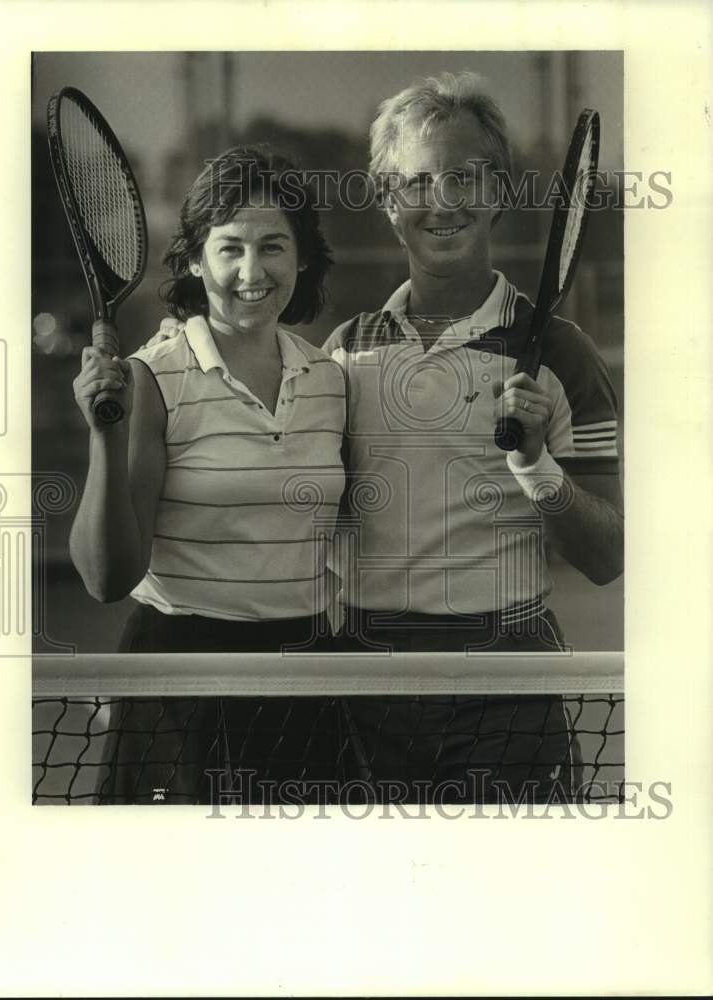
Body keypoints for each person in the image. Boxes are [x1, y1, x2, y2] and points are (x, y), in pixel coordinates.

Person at [324, 72, 624, 803]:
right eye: (418, 181)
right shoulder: (342, 353)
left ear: (499, 191)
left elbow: (608, 554)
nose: (444, 201)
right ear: (390, 203)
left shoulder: (561, 352)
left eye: (465, 176)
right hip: (366, 680)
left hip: (509, 684)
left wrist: (533, 463)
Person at [69, 146, 347, 803]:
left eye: (273, 246)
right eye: (230, 248)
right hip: (181, 685)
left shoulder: (331, 380)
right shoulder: (153, 376)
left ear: (302, 257)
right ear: (196, 260)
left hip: (303, 679)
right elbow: (108, 578)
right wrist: (105, 440)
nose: (253, 271)